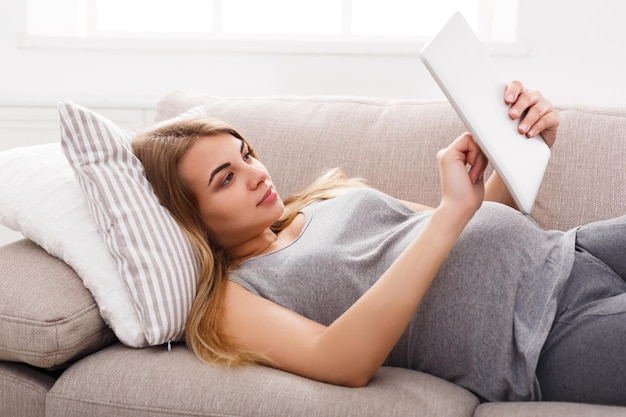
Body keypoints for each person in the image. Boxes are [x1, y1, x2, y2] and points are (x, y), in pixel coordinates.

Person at [132, 81, 626, 406]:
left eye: (246, 155)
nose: (256, 174)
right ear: (189, 218)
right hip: (541, 336)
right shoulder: (231, 297)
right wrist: (450, 215)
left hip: (572, 250)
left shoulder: (322, 200)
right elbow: (340, 361)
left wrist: (527, 151)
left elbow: (459, 231)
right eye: (225, 179)